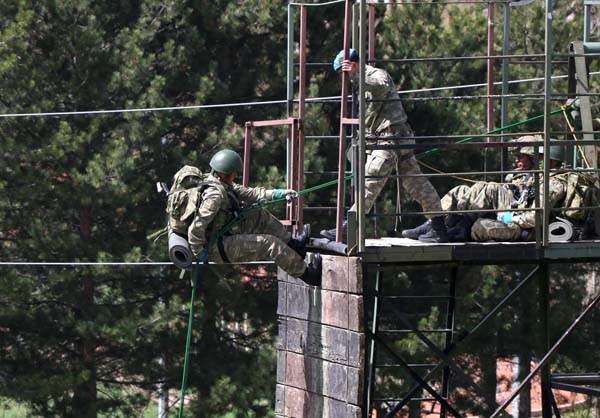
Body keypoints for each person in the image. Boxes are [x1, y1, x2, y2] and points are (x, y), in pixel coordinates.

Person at [320, 48, 447, 243]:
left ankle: (349, 228)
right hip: (392, 138)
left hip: (391, 139)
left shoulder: (374, 75)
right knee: (415, 182)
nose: (342, 79)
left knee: (369, 181)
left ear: (352, 65)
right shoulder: (359, 84)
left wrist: (359, 76)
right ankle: (437, 225)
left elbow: (381, 84)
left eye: (343, 73)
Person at [187, 149, 322, 285]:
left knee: (258, 214)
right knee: (269, 244)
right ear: (224, 173)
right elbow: (196, 227)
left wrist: (279, 193)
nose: (236, 176)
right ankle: (308, 275)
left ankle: (294, 245)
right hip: (214, 247)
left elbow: (251, 194)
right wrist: (199, 253)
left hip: (222, 233)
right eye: (234, 173)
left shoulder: (220, 183)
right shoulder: (214, 196)